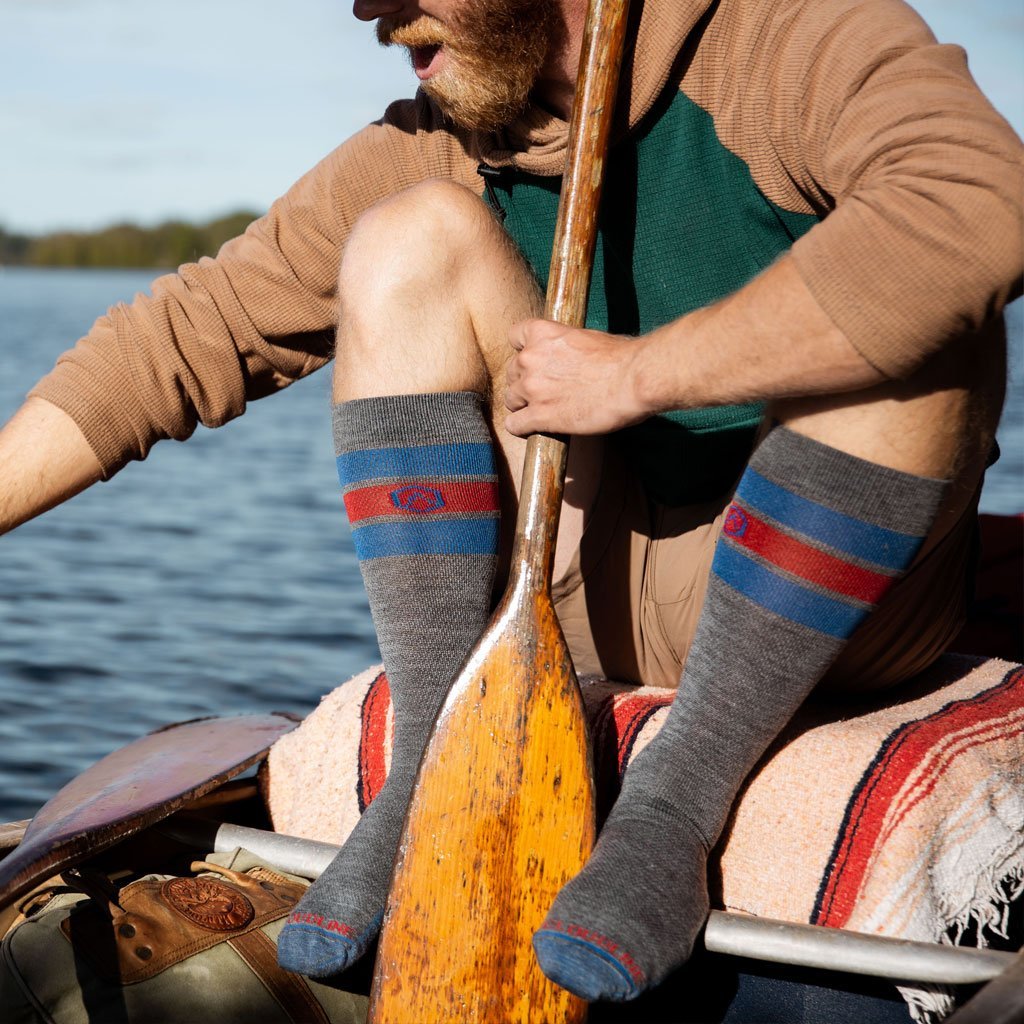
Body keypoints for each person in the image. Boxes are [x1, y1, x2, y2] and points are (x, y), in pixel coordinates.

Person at [1, 0, 1020, 1004]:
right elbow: (188, 334)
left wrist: (644, 374)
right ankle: (432, 774)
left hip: (828, 608)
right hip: (582, 590)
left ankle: (676, 802)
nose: (368, 7)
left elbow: (976, 204)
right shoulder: (440, 139)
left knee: (921, 308)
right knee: (407, 237)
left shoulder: (785, 35)